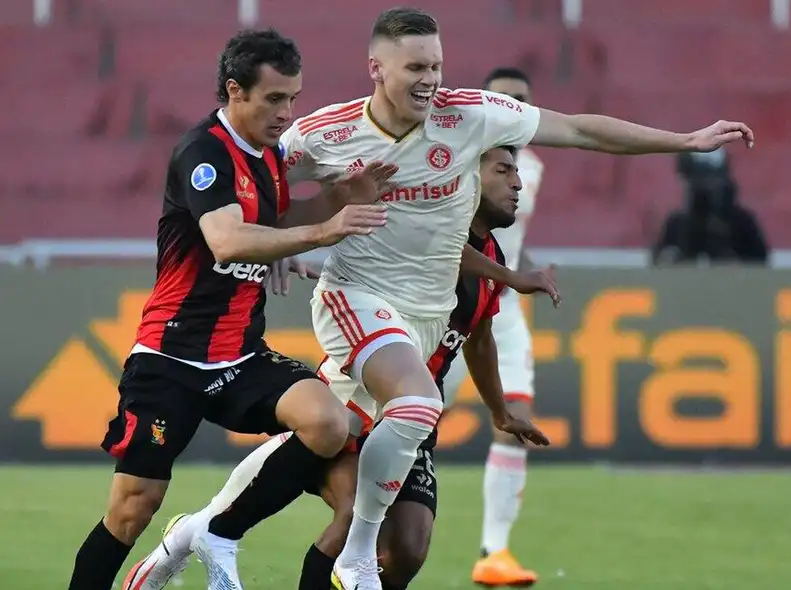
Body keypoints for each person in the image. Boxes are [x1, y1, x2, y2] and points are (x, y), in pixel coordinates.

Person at [276, 8, 754, 590]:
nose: (430, 79)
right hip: (359, 297)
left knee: (405, 539)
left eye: (436, 65)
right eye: (415, 67)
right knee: (411, 410)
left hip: (439, 316)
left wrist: (685, 141)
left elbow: (580, 129)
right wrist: (282, 245)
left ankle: (199, 535)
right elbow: (256, 187)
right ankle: (346, 553)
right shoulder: (326, 132)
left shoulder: (470, 115)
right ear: (375, 68)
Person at [120, 147, 550, 590]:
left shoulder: (492, 263)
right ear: (467, 179)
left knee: (407, 549)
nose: (518, 182)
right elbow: (438, 248)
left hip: (413, 419)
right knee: (353, 518)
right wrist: (512, 275)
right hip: (354, 400)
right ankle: (197, 533)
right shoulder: (414, 223)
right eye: (503, 170)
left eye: (517, 170)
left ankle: (193, 532)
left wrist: (500, 412)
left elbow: (479, 340)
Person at [67, 29, 395, 590]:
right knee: (131, 510)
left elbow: (275, 227)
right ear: (234, 91)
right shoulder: (204, 152)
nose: (286, 112)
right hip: (171, 358)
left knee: (327, 422)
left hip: (240, 354)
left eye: (293, 98)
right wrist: (325, 231)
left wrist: (342, 196)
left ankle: (218, 529)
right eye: (274, 99)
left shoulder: (268, 155)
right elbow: (227, 239)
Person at [438, 66, 545, 587]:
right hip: (453, 305)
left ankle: (495, 552)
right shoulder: (454, 160)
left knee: (517, 414)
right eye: (503, 100)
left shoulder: (533, 169)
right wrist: (513, 275)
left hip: (500, 306)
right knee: (413, 417)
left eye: (521, 101)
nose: (512, 110)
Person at [651, 149, 769, 265]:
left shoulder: (742, 223)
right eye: (700, 178)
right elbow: (659, 264)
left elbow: (760, 266)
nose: (707, 186)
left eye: (713, 178)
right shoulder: (676, 225)